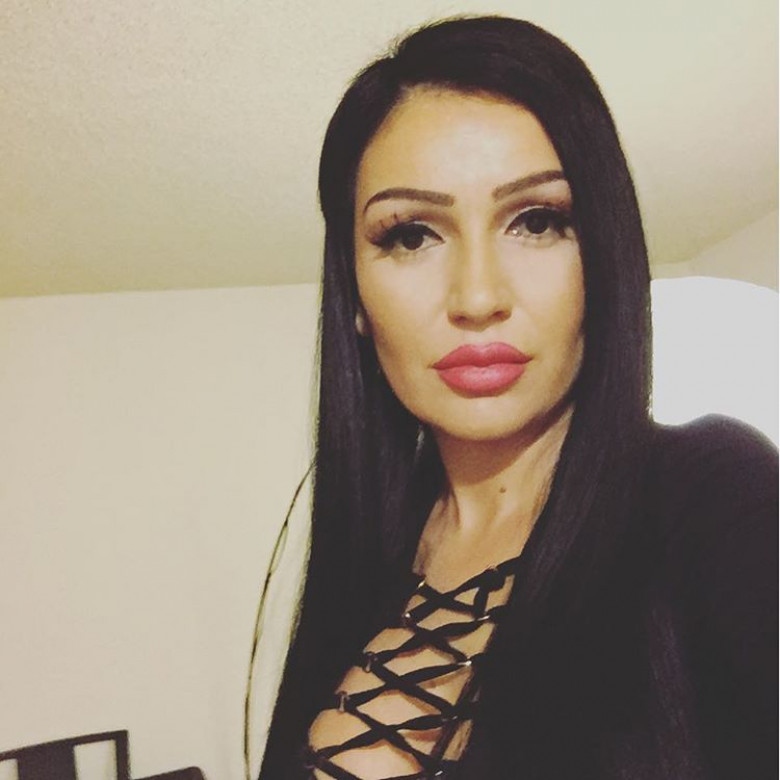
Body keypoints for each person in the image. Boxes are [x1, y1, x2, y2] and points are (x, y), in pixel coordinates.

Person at [257, 15, 777, 780]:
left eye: (537, 221)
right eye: (411, 235)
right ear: (356, 297)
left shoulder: (712, 499)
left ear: (602, 258)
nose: (477, 297)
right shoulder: (366, 553)